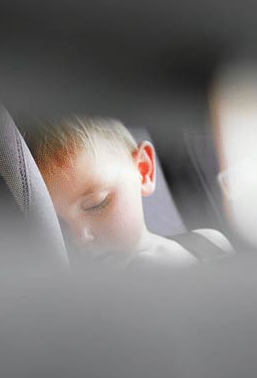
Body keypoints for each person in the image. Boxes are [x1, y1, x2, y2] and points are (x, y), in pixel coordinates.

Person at [22, 115, 232, 269]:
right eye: (57, 224)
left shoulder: (209, 241)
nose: (79, 238)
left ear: (144, 170)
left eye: (97, 204)